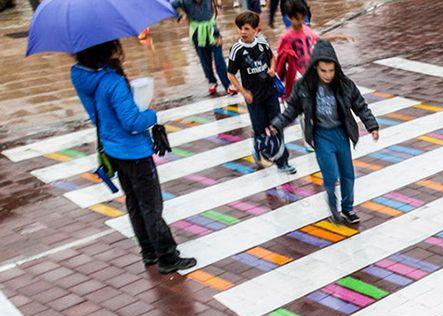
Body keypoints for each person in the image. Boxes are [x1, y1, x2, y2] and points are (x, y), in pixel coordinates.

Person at [70, 41, 196, 274]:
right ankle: (167, 256)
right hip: (134, 151)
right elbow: (132, 122)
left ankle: (148, 251)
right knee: (151, 206)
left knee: (134, 202)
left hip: (113, 150)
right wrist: (151, 113)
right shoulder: (112, 81)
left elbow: (98, 118)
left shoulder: (82, 77)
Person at [270, 40, 379, 225]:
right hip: (321, 136)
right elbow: (292, 108)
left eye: (331, 70)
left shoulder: (344, 84)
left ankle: (348, 208)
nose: (328, 75)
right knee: (331, 175)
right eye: (323, 71)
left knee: (347, 174)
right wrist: (278, 124)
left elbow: (360, 105)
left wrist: (372, 126)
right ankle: (334, 209)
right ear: (315, 67)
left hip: (341, 134)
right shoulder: (305, 86)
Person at [227, 11, 296, 174]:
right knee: (259, 129)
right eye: (240, 28)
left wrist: (272, 68)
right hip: (254, 98)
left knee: (276, 127)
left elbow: (272, 57)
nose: (243, 32)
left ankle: (282, 162)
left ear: (256, 29)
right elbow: (230, 74)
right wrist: (243, 92)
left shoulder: (262, 43)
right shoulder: (236, 49)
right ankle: (259, 150)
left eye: (246, 28)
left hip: (270, 93)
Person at [172, 0, 232, 97]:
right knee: (205, 59)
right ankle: (212, 81)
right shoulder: (184, 1)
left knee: (219, 59)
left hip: (213, 31)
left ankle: (227, 84)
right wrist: (180, 14)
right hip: (197, 33)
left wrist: (218, 3)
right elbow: (172, 4)